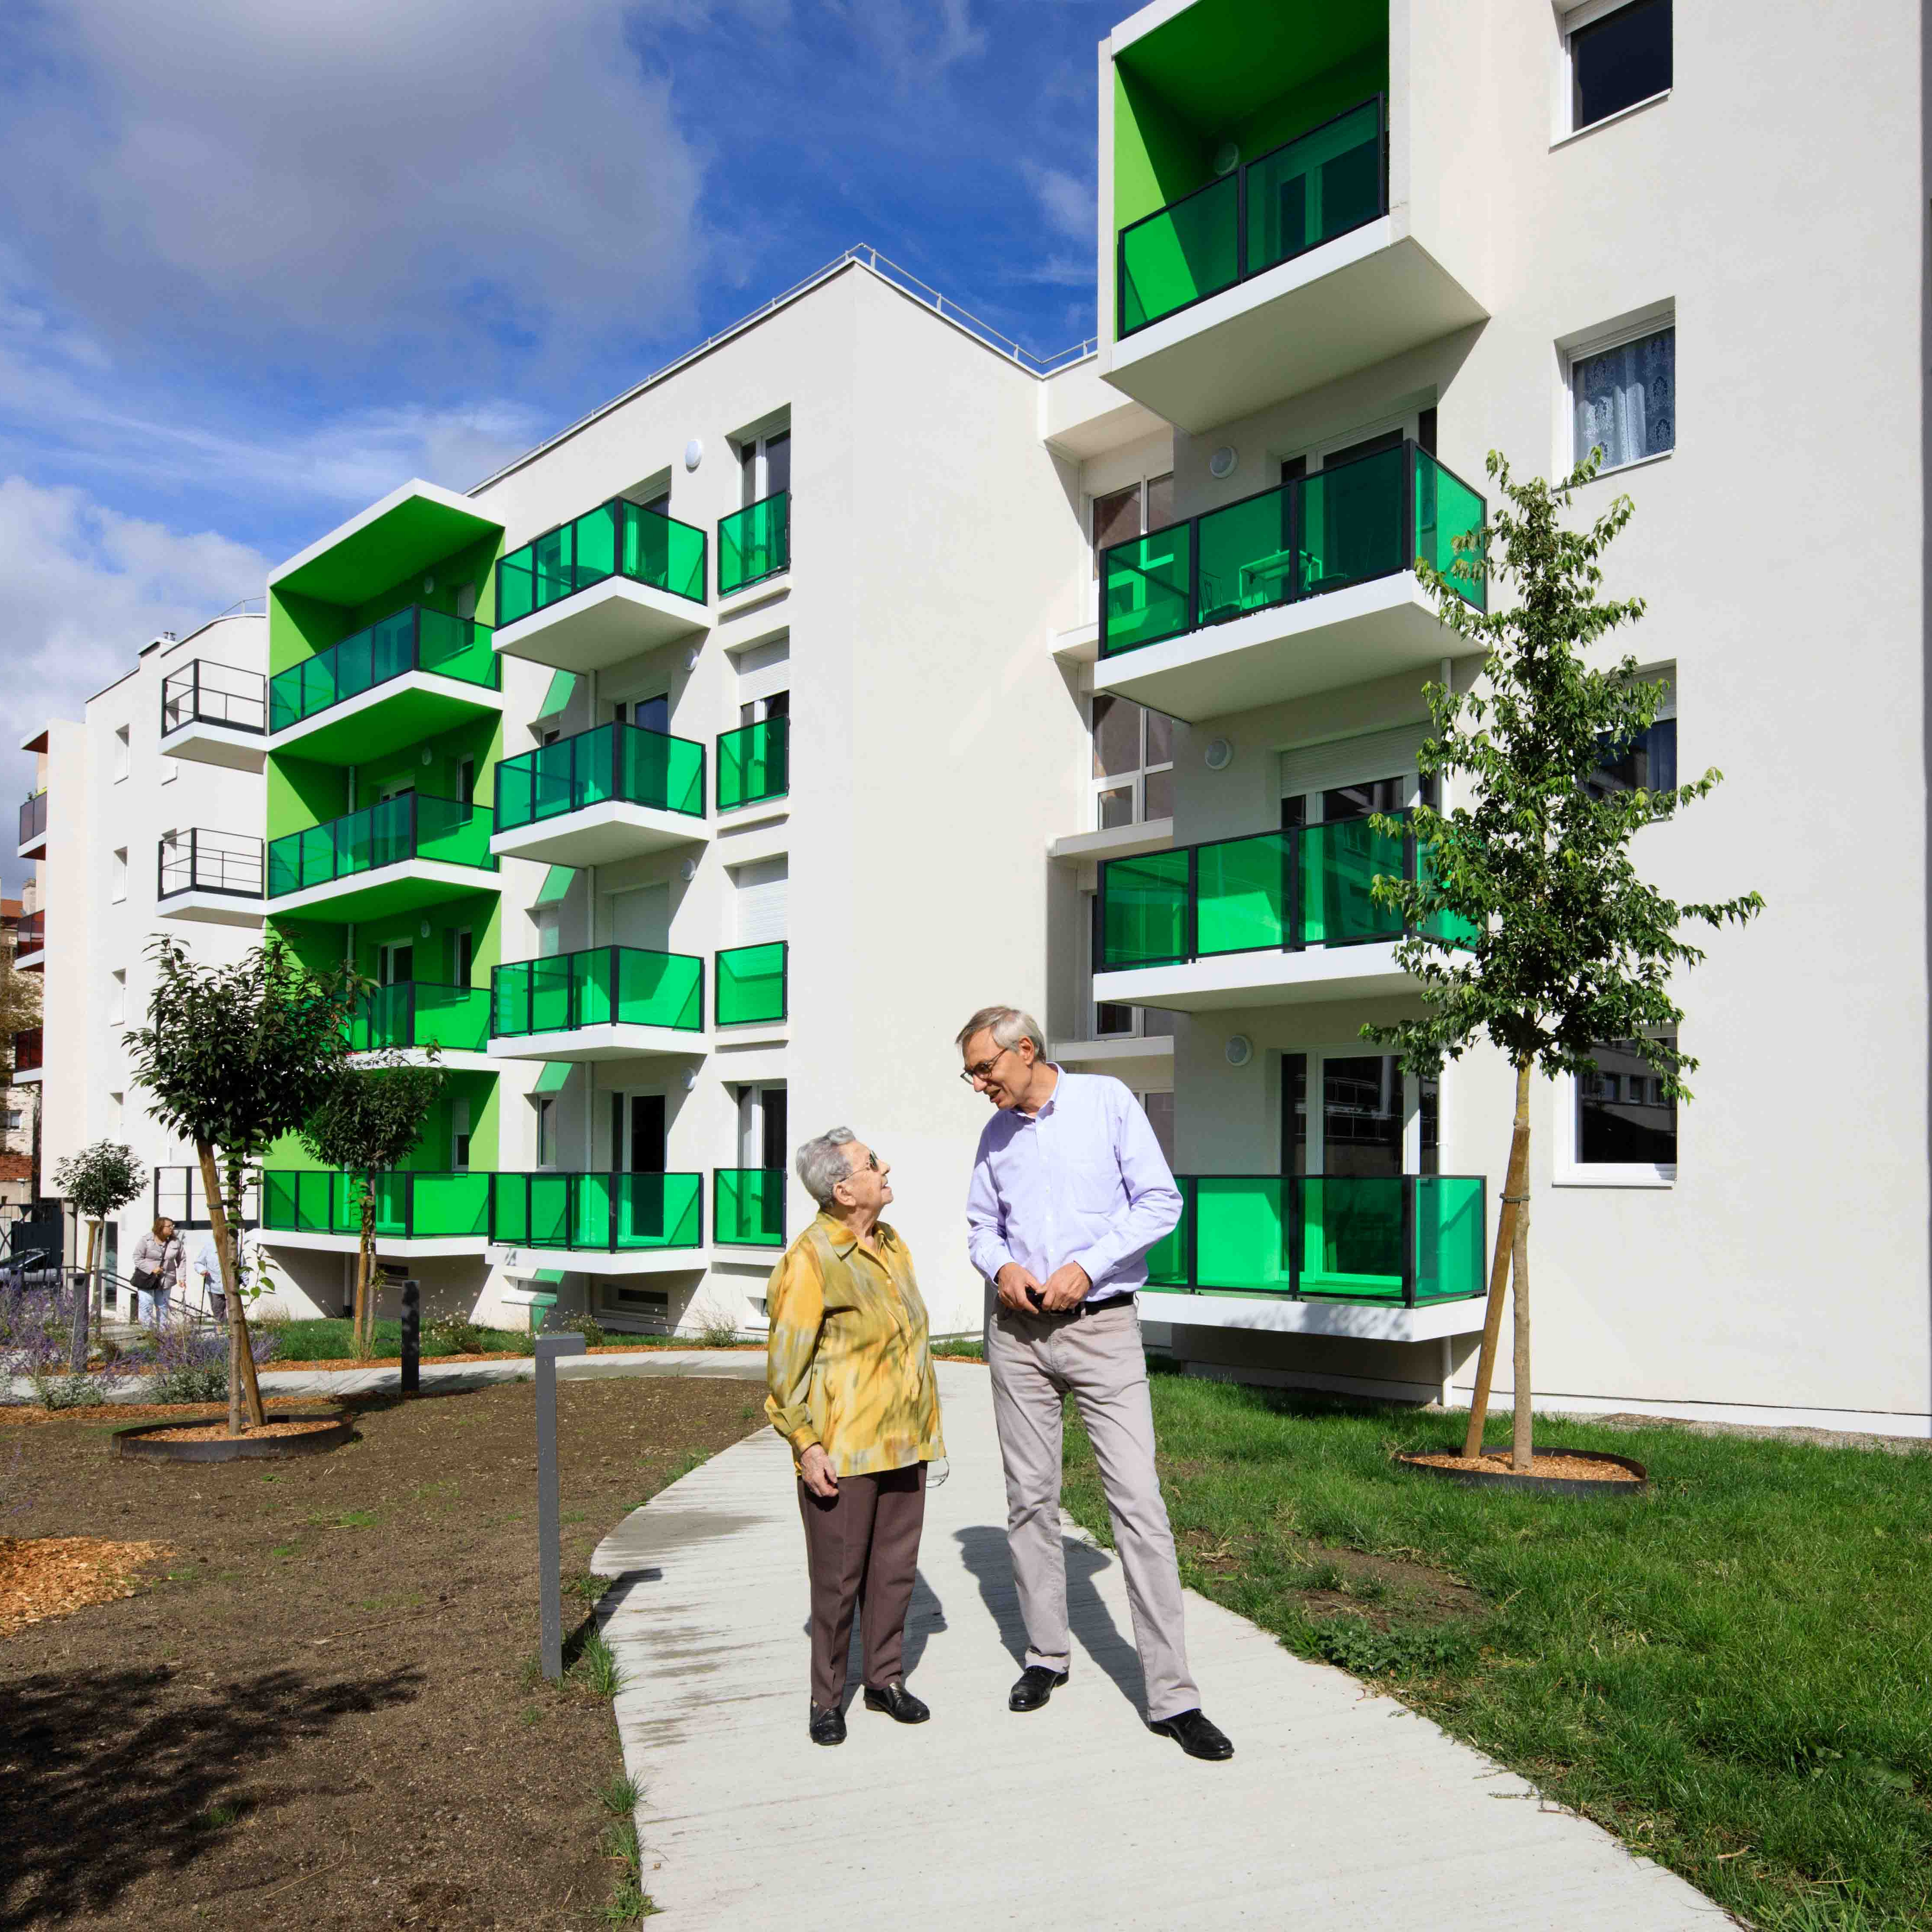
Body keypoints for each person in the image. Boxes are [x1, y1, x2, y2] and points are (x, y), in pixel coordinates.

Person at [960, 1004, 1233, 1762]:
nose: (978, 1084)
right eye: (972, 1073)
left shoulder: (1108, 1102)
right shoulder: (994, 1136)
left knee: (1138, 1506)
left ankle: (1174, 1697)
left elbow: (1160, 1201)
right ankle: (1046, 1656)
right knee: (1029, 1501)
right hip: (1017, 1336)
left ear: (1024, 1051)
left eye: (985, 1068)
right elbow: (981, 1226)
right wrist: (1001, 1266)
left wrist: (1091, 1265)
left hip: (1103, 1327)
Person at [765, 1127, 945, 1746]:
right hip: (842, 1449)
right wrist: (805, 1444)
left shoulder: (892, 1245)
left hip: (904, 1440)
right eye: (874, 1163)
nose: (886, 1166)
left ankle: (885, 1681)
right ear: (844, 1190)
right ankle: (826, 1698)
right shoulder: (810, 1259)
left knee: (894, 1571)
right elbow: (785, 1368)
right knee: (838, 1581)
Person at [129, 1216, 184, 1326]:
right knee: (146, 1305)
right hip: (147, 1279)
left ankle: (162, 1334)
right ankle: (147, 1332)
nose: (172, 1228)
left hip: (166, 1279)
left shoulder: (176, 1242)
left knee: (163, 1306)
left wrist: (182, 1278)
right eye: (169, 1226)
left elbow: (182, 1260)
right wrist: (152, 1269)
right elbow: (137, 1258)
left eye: (173, 1226)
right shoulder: (146, 1240)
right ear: (160, 1228)